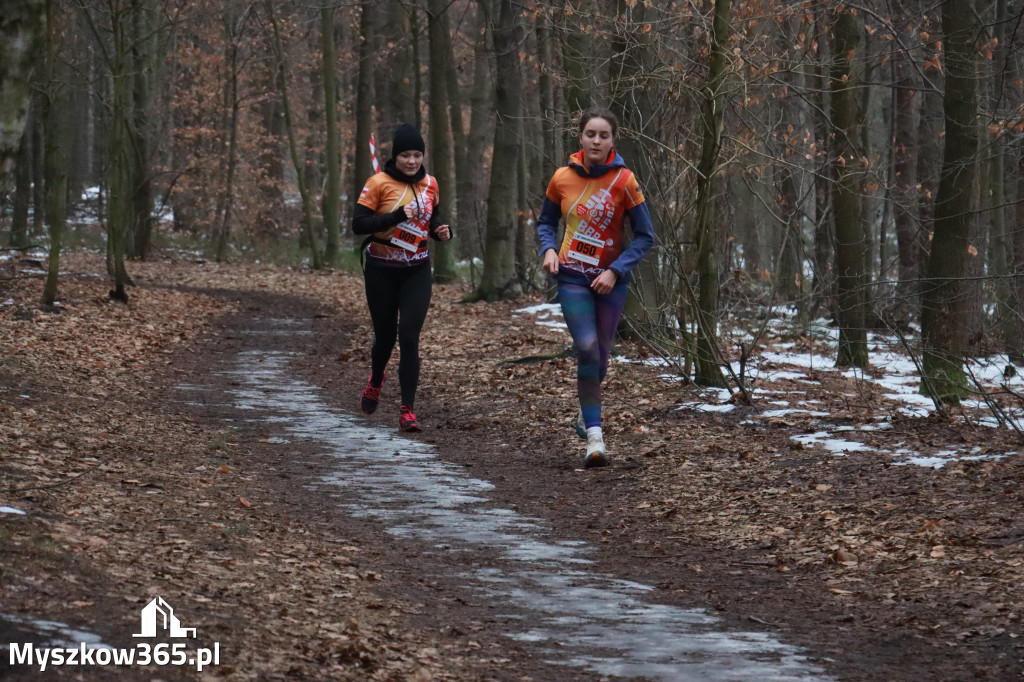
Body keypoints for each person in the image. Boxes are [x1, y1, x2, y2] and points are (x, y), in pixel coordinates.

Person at [536, 108, 655, 468]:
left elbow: (645, 236)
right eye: (591, 134)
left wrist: (616, 271)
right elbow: (546, 222)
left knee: (601, 357)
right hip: (571, 277)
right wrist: (549, 249)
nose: (596, 141)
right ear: (581, 138)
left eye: (603, 135)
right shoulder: (561, 178)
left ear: (612, 141)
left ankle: (585, 411)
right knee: (586, 349)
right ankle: (595, 437)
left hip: (610, 282)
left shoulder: (625, 181)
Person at [352, 123, 451, 432]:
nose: (412, 161)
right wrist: (396, 216)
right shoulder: (378, 183)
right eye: (406, 155)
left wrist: (440, 230)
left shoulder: (431, 184)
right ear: (395, 157)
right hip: (381, 269)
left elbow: (434, 216)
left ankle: (408, 410)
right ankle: (376, 379)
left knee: (409, 336)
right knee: (385, 337)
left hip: (417, 269)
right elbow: (359, 224)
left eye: (417, 155)